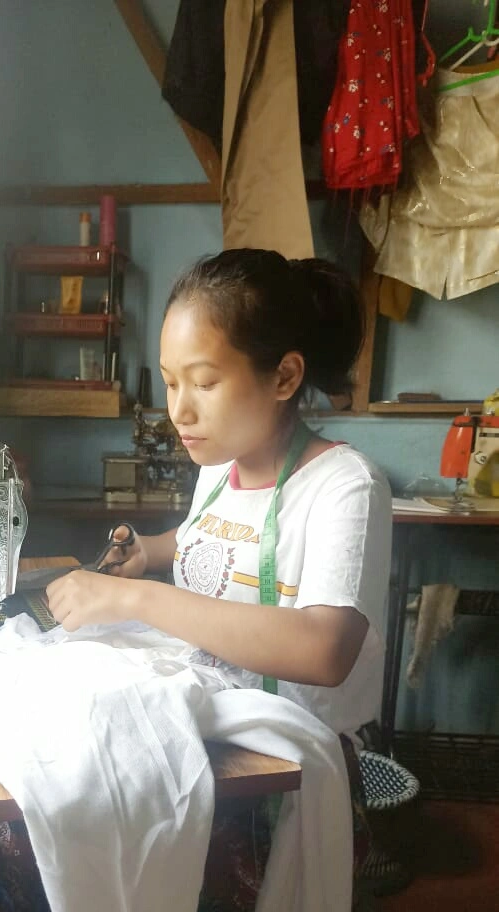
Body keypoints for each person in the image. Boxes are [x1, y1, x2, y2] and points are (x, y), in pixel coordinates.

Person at [46, 247, 392, 741]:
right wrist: (150, 550)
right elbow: (220, 536)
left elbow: (325, 650)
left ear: (284, 377)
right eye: (171, 383)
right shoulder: (219, 466)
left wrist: (136, 597)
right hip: (217, 723)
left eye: (204, 383)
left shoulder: (345, 485)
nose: (178, 411)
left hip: (296, 756)